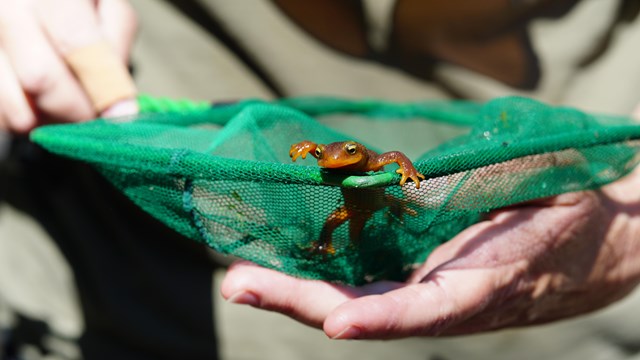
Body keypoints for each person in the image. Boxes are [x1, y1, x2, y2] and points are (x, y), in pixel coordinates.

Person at [2, 0, 640, 359]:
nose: (332, 164)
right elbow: (318, 154)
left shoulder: (371, 164)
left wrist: (625, 226)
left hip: (564, 301)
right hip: (130, 282)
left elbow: (390, 165)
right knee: (333, 216)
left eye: (338, 161)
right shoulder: (327, 163)